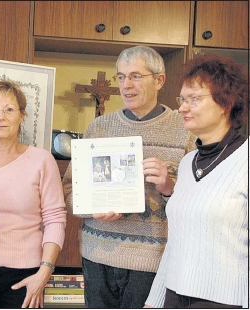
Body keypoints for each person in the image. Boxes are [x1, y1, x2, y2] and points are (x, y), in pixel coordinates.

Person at [62, 45, 197, 308]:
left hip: (153, 261)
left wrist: (169, 186)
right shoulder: (99, 128)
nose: (126, 85)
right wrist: (91, 209)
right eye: (121, 77)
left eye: (136, 76)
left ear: (159, 80)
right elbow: (70, 190)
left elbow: (200, 199)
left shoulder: (184, 130)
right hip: (97, 255)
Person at [144, 55, 248, 308]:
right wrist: (154, 302)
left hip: (225, 301)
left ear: (226, 103)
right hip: (174, 296)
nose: (182, 108)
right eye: (183, 99)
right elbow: (176, 243)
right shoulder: (187, 162)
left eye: (195, 99)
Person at [0, 80, 67, 308]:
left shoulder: (42, 160)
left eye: (9, 109)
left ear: (22, 116)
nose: (0, 116)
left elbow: (55, 220)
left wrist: (44, 273)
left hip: (28, 275)